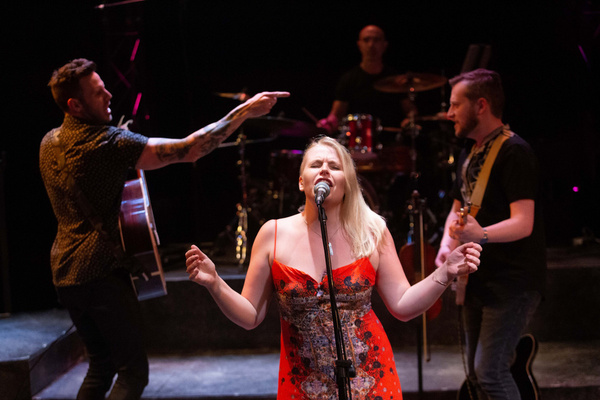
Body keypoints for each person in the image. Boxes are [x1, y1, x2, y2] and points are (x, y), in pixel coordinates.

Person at [39, 58, 289, 400]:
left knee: (100, 365)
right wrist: (243, 112)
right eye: (98, 93)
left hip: (66, 271)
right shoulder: (107, 145)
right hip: (101, 273)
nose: (110, 95)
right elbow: (190, 149)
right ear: (75, 105)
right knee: (132, 375)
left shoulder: (50, 142)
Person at [185, 135, 482, 399]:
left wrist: (444, 273)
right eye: (316, 164)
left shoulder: (372, 231)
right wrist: (215, 283)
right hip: (303, 385)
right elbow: (250, 316)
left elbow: (403, 305)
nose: (325, 169)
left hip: (370, 380)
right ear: (301, 181)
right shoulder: (273, 234)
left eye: (335, 166)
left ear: (348, 182)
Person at [434, 69, 546, 400]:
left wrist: (480, 234)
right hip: (478, 278)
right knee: (476, 376)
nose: (449, 113)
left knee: (491, 374)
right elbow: (458, 207)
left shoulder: (514, 152)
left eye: (456, 105)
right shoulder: (471, 153)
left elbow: (523, 222)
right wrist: (445, 245)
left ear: (480, 105)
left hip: (511, 282)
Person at [317, 24, 414, 137]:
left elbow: (411, 112)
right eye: (366, 40)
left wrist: (410, 121)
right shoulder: (348, 79)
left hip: (392, 144)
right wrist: (329, 123)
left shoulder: (396, 79)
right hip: (358, 143)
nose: (371, 45)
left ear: (385, 45)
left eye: (376, 40)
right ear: (359, 45)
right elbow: (336, 115)